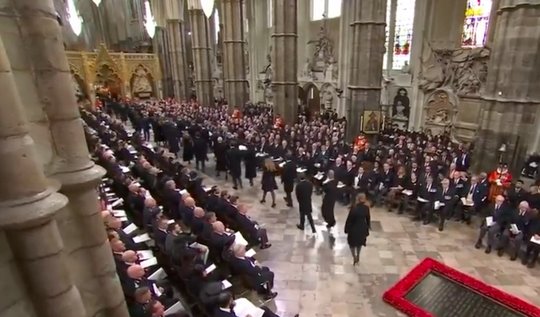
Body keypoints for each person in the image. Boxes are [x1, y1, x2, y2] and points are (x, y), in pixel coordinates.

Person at [345, 193, 371, 265]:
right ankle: (358, 255)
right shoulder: (366, 208)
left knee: (352, 244)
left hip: (353, 228)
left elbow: (349, 220)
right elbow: (368, 219)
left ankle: (354, 256)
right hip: (362, 228)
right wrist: (367, 228)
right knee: (359, 244)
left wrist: (346, 229)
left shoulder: (353, 208)